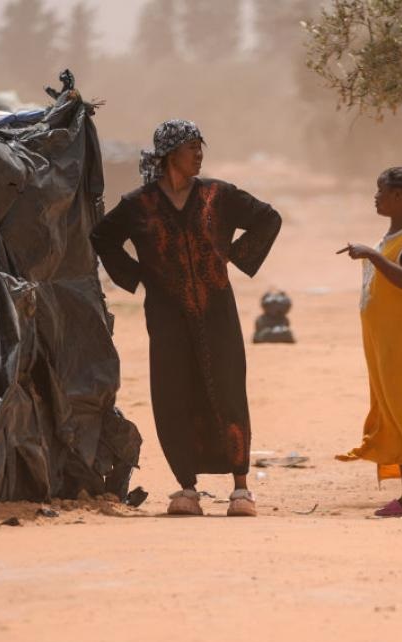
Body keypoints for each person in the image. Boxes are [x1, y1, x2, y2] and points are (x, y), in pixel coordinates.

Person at [91, 120, 281, 517]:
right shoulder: (138, 204)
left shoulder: (218, 195)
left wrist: (233, 255)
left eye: (200, 147)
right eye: (191, 147)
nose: (198, 154)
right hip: (166, 317)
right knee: (173, 394)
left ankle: (241, 489)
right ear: (168, 155)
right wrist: (139, 275)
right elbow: (102, 238)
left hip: (217, 312)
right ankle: (186, 489)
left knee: (228, 389)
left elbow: (268, 218)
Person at [335, 167, 402, 517]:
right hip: (384, 349)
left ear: (398, 196)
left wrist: (371, 255)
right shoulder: (392, 234)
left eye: (381, 192)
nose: (376, 197)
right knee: (394, 419)